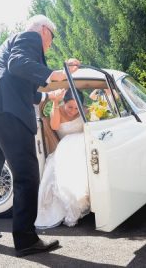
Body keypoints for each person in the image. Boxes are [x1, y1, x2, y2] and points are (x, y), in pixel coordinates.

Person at [0, 14, 80, 257]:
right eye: (51, 38)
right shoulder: (28, 37)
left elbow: (24, 86)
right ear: (43, 31)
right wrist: (53, 74)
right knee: (27, 174)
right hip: (5, 110)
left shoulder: (12, 49)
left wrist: (50, 97)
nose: (49, 45)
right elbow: (17, 64)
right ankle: (26, 239)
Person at [35, 89, 90, 228]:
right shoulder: (57, 109)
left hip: (84, 143)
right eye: (70, 107)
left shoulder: (86, 110)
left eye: (77, 107)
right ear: (64, 103)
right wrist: (54, 102)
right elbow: (54, 126)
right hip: (66, 145)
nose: (73, 111)